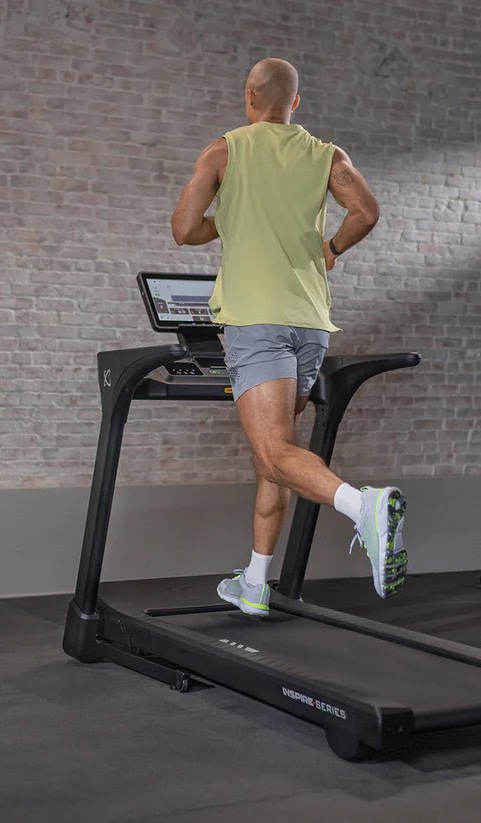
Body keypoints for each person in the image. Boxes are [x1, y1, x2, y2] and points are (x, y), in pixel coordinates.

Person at [171, 58, 407, 617]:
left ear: (249, 96)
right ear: (294, 103)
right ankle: (256, 581)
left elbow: (183, 229)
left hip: (256, 320)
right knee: (273, 454)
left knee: (274, 452)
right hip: (310, 324)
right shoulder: (326, 155)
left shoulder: (224, 151)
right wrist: (331, 249)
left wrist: (227, 217)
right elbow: (366, 212)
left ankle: (363, 506)